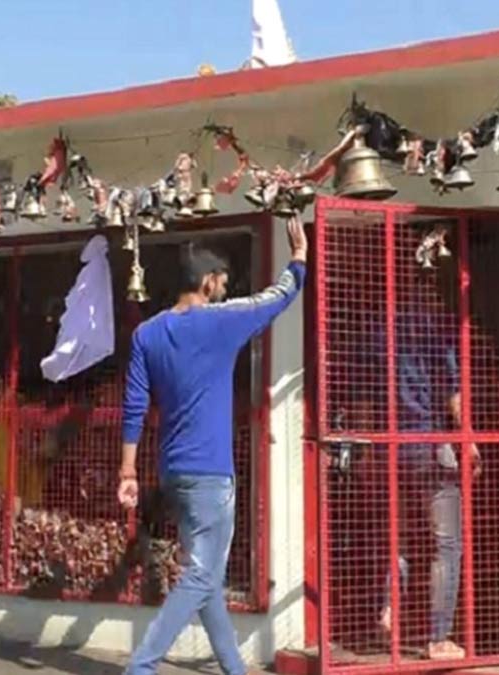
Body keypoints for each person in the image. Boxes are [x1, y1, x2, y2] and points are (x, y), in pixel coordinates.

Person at [118, 218, 309, 675]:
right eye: (222, 282)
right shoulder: (222, 321)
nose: (225, 290)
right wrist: (299, 258)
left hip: (173, 473)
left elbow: (134, 405)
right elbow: (276, 297)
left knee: (208, 580)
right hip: (211, 476)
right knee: (202, 575)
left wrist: (127, 470)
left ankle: (234, 670)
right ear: (207, 282)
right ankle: (140, 668)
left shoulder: (147, 335)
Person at [375, 278, 480, 661]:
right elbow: (454, 394)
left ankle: (389, 609)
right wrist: (468, 440)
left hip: (392, 449)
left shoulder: (382, 334)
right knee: (447, 546)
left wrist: (371, 454)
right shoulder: (438, 332)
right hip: (431, 445)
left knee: (399, 540)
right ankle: (438, 637)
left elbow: (366, 395)